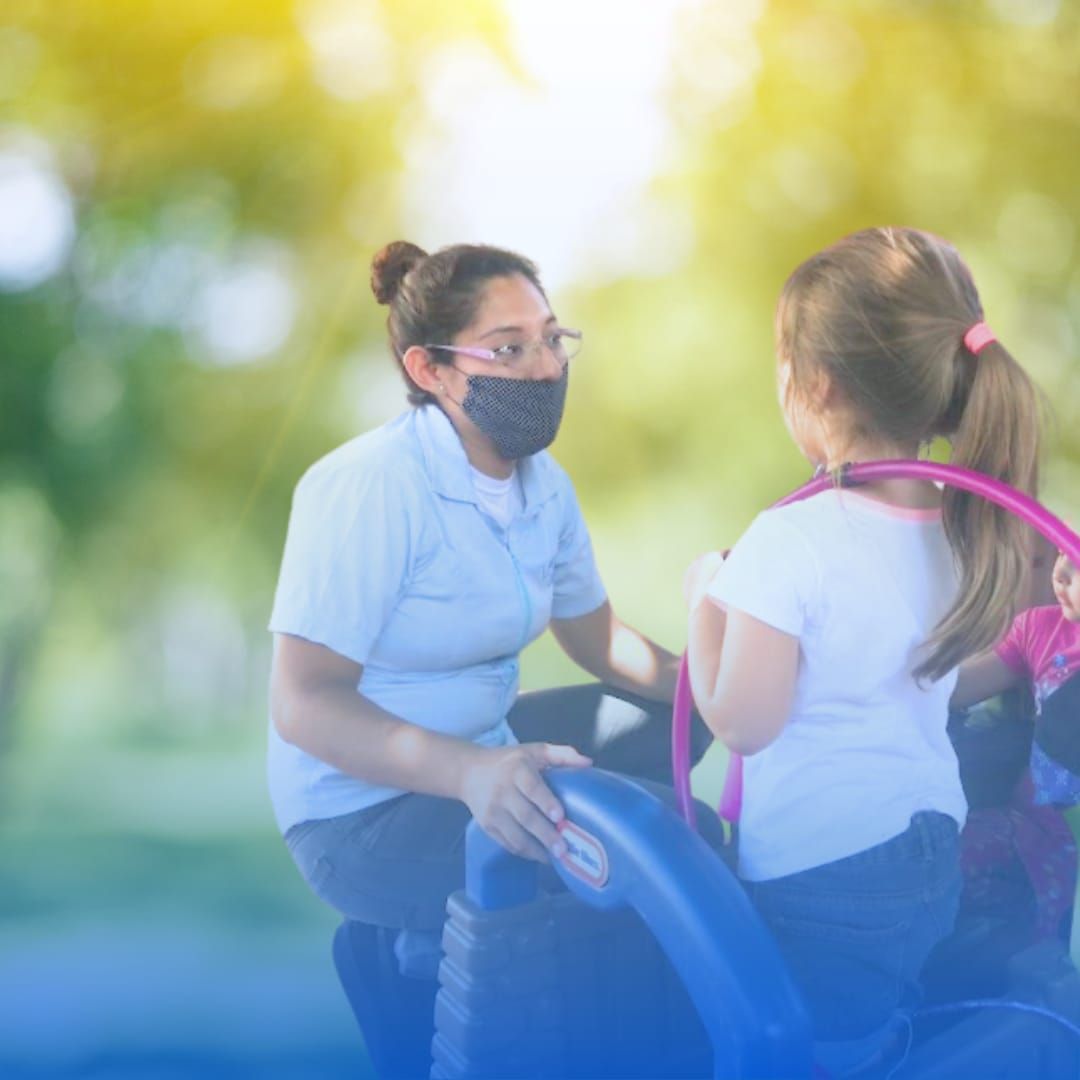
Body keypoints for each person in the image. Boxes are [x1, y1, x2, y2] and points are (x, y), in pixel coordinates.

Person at [268, 241, 714, 1075]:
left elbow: (598, 640)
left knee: (686, 723)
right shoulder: (368, 486)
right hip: (363, 808)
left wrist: (719, 687)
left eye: (551, 339)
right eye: (508, 349)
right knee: (673, 849)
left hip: (485, 750)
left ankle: (445, 930)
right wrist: (471, 773)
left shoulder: (544, 485)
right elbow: (304, 701)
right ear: (430, 369)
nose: (544, 368)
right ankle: (415, 950)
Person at [685, 226, 1042, 1074]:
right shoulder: (964, 531)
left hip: (822, 876)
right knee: (873, 1021)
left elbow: (742, 723)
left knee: (818, 1054)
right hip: (932, 857)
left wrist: (704, 602)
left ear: (815, 384)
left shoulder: (789, 540)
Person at [954, 551, 1080, 806]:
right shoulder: (1040, 629)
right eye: (1060, 551)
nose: (1059, 573)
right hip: (1041, 810)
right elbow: (955, 690)